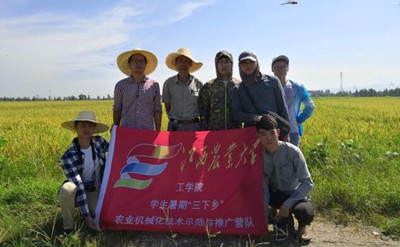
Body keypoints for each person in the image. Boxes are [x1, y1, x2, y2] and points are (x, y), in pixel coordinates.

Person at [256, 113, 314, 244]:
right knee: (253, 195)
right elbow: (263, 188)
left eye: (272, 133)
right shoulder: (259, 157)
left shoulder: (293, 152)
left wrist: (287, 205)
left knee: (304, 212)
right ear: (258, 136)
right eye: (263, 134)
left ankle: (302, 229)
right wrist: (263, 225)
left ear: (278, 132)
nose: (269, 138)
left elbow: (307, 183)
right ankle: (275, 213)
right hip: (277, 194)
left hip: (296, 195)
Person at [59, 111, 109, 234]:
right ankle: (69, 229)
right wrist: (86, 216)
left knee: (102, 215)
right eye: (82, 125)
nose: (86, 129)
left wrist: (118, 133)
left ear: (94, 128)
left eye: (90, 126)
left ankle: (91, 214)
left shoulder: (99, 142)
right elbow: (79, 185)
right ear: (76, 128)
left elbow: (115, 148)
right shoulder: (68, 156)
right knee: (66, 189)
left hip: (94, 190)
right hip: (77, 191)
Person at [232, 51, 290, 140]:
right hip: (251, 134)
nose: (248, 66)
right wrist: (254, 118)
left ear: (257, 63)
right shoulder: (237, 89)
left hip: (273, 132)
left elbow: (282, 107)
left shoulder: (273, 81)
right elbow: (237, 114)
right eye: (244, 63)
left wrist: (286, 134)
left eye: (251, 62)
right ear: (239, 66)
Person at [113, 48, 162, 130]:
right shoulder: (120, 85)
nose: (138, 63)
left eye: (141, 61)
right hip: (126, 131)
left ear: (146, 64)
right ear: (129, 64)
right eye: (134, 60)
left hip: (147, 131)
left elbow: (157, 109)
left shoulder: (154, 85)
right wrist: (116, 129)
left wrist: (158, 130)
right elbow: (117, 108)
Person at [271, 55, 315, 146]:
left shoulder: (297, 88)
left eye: (283, 67)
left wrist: (298, 120)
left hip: (292, 131)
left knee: (292, 158)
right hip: (272, 131)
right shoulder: (268, 89)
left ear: (288, 69)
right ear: (272, 70)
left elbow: (310, 106)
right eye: (277, 67)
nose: (280, 69)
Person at [162, 48, 203, 131]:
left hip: (194, 126)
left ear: (190, 64)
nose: (183, 64)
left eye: (186, 61)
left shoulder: (198, 83)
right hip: (175, 126)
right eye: (180, 61)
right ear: (176, 64)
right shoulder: (168, 83)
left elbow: (202, 105)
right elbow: (167, 105)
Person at [199, 50, 241, 130]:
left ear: (232, 64)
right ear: (216, 65)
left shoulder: (239, 85)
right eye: (220, 62)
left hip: (234, 131)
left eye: (227, 62)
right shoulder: (209, 86)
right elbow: (204, 112)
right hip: (214, 132)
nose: (224, 65)